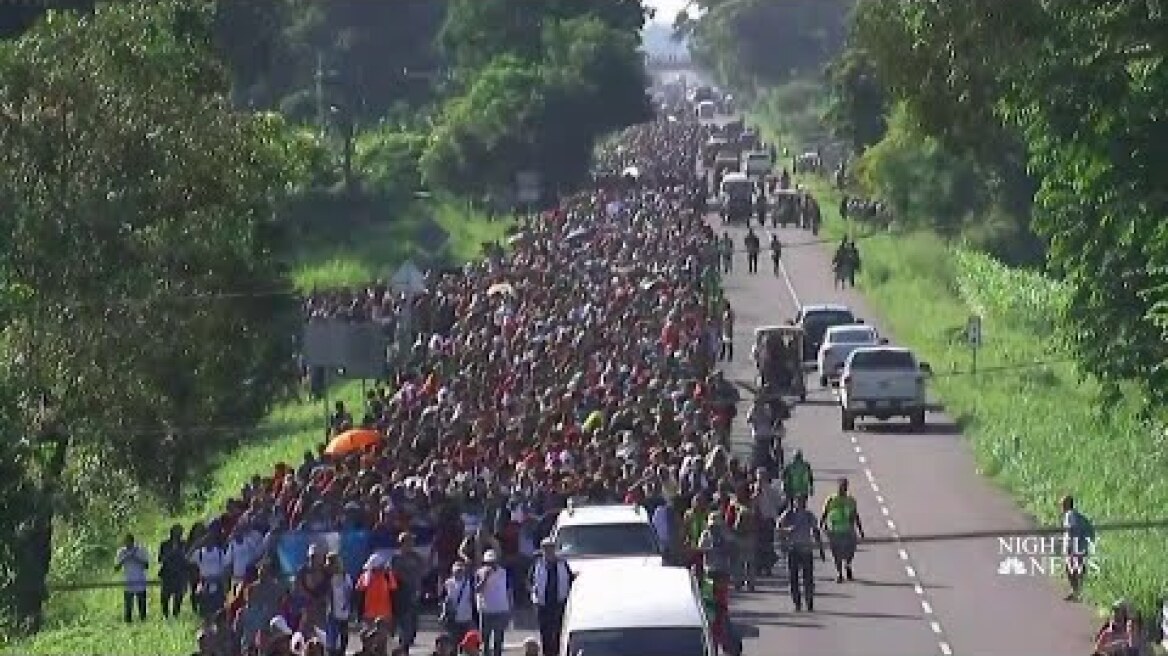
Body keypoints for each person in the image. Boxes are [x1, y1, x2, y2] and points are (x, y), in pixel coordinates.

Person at [777, 494, 826, 612]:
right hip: (793, 549)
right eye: (798, 501)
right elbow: (778, 528)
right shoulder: (788, 515)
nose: (801, 503)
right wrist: (787, 531)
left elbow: (816, 531)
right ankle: (797, 602)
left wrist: (821, 548)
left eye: (803, 501)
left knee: (808, 578)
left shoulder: (809, 515)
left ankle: (809, 601)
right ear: (794, 502)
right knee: (793, 578)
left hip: (806, 550)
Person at [529, 538, 572, 656]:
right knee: (545, 632)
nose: (549, 551)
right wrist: (534, 595)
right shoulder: (537, 565)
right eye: (546, 548)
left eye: (551, 548)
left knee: (558, 631)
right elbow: (530, 581)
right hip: (543, 604)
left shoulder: (563, 564)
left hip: (559, 603)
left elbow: (569, 579)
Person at [821, 478, 865, 583]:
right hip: (834, 530)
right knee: (836, 554)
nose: (843, 488)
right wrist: (821, 526)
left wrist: (860, 529)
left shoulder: (851, 500)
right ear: (838, 486)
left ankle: (848, 564)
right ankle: (839, 573)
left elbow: (855, 515)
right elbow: (825, 513)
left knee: (851, 551)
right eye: (841, 486)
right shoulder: (831, 499)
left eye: (845, 486)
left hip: (848, 530)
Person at [474, 550, 511, 656]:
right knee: (485, 639)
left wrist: (510, 608)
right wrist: (485, 578)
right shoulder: (479, 573)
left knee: (498, 639)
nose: (491, 565)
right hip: (486, 610)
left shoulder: (503, 572)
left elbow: (509, 590)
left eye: (493, 562)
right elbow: (477, 590)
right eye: (488, 563)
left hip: (501, 609)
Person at [1061, 494, 1096, 602]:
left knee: (1071, 569)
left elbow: (1071, 530)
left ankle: (1076, 592)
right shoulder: (1078, 516)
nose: (1061, 506)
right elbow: (1090, 530)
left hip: (1075, 547)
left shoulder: (1069, 515)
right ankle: (1078, 592)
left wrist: (1071, 547)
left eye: (1063, 503)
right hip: (1082, 546)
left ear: (1067, 504)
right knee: (1078, 569)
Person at [114, 533, 149, 623]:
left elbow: (146, 566)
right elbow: (116, 568)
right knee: (128, 606)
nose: (127, 544)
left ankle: (143, 621)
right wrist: (125, 558)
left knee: (142, 605)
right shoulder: (121, 552)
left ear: (133, 541)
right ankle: (128, 622)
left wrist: (135, 557)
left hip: (140, 581)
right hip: (128, 582)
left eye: (129, 542)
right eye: (126, 542)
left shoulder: (141, 550)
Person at [440, 561, 476, 643]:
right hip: (453, 619)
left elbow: (473, 599)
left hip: (467, 618)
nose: (458, 573)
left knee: (467, 643)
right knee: (453, 642)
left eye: (460, 571)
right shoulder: (448, 583)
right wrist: (444, 612)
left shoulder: (469, 583)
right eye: (457, 571)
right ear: (453, 571)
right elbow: (443, 599)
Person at [159, 524, 188, 618]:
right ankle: (165, 615)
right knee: (165, 597)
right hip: (167, 574)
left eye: (179, 532)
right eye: (175, 532)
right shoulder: (164, 544)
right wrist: (171, 552)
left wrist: (179, 552)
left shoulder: (184, 544)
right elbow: (160, 559)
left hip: (179, 573)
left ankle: (176, 615)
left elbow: (186, 558)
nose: (177, 534)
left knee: (178, 597)